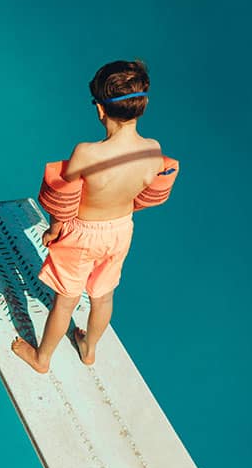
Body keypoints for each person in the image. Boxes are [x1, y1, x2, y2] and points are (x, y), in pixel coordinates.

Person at [11, 60, 179, 374]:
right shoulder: (154, 152)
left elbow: (63, 197)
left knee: (66, 300)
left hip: (82, 234)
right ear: (141, 107)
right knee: (102, 296)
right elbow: (145, 190)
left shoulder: (87, 153)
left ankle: (42, 358)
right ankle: (89, 349)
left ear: (100, 110)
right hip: (120, 231)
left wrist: (54, 229)